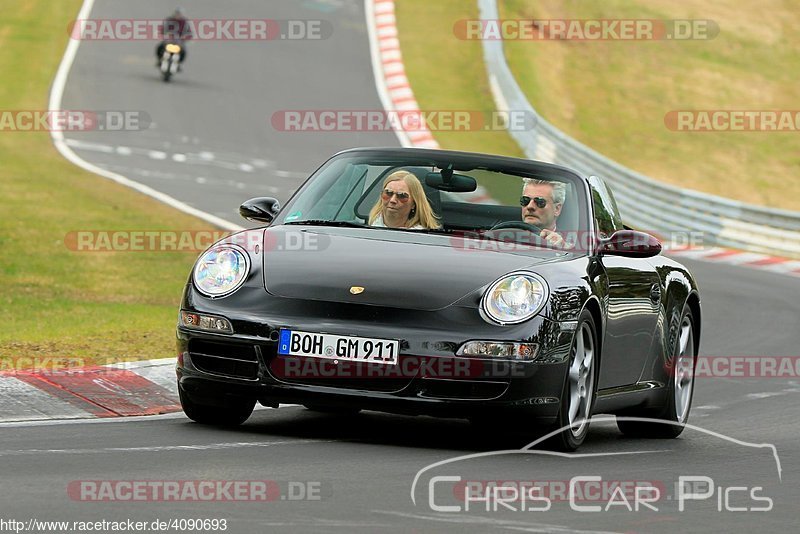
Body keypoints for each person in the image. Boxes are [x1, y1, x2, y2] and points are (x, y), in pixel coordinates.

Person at [368, 171, 441, 230]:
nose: (393, 200)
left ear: (414, 203)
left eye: (402, 196)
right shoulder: (364, 229)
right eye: (388, 193)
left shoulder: (421, 237)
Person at [520, 178, 568, 247]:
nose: (530, 206)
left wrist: (563, 249)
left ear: (557, 209)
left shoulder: (571, 245)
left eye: (540, 202)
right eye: (525, 200)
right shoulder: (506, 234)